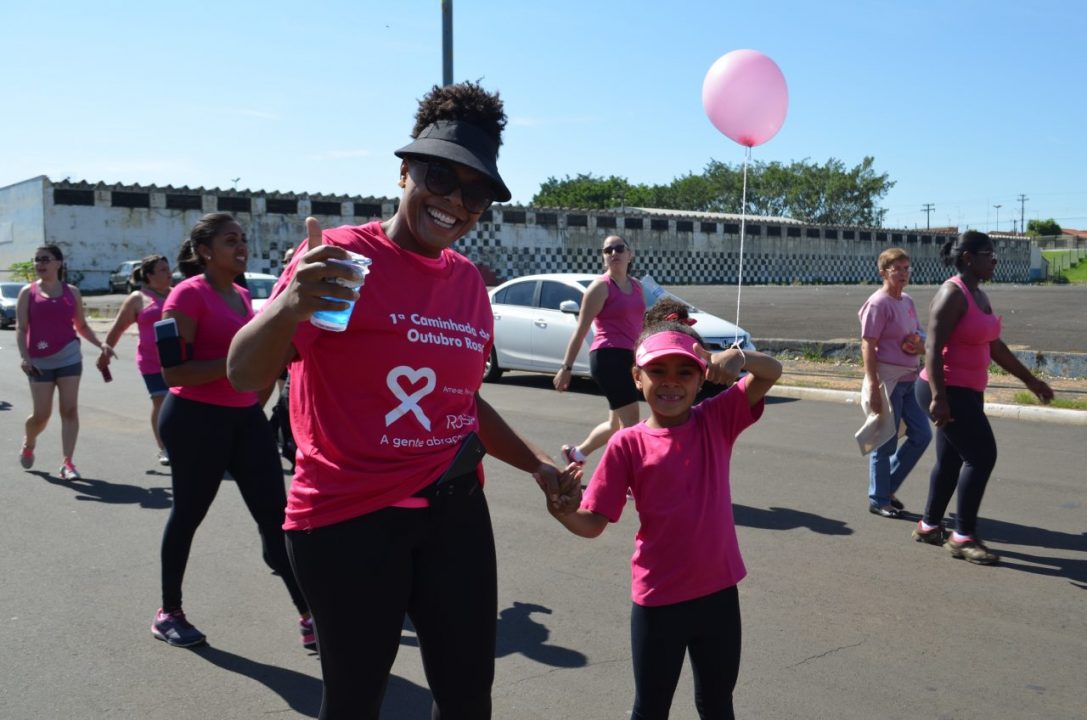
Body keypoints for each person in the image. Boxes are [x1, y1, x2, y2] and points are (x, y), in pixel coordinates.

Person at [227, 82, 579, 719]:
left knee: (468, 700)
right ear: (404, 171)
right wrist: (286, 307)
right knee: (356, 702)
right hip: (349, 519)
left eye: (476, 193)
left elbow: (462, 402)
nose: (455, 202)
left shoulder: (468, 284)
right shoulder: (342, 260)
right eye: (440, 177)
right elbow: (245, 378)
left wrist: (538, 465)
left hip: (454, 511)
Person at [547, 322, 782, 719]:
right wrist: (564, 512)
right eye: (657, 371)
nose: (671, 382)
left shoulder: (716, 418)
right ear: (637, 377)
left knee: (717, 703)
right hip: (659, 600)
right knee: (651, 708)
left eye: (685, 372)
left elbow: (771, 372)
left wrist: (735, 357)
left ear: (701, 378)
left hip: (719, 595)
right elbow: (593, 522)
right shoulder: (627, 443)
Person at [151, 213, 311, 649]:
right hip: (194, 420)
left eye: (242, 239)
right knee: (188, 515)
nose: (241, 247)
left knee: (278, 518)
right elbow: (174, 372)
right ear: (205, 251)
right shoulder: (185, 296)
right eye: (229, 241)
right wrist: (238, 362)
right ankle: (169, 613)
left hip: (244, 419)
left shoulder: (242, 296)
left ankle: (309, 616)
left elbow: (254, 368)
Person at [914, 231, 1053, 564]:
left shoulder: (979, 295)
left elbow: (995, 346)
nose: (995, 260)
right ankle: (963, 537)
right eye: (989, 254)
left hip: (967, 391)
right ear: (968, 258)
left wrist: (1030, 381)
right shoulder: (952, 294)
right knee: (982, 455)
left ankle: (929, 525)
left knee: (951, 460)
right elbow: (932, 347)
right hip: (946, 390)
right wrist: (939, 397)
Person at [16, 244, 107, 480]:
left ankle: (67, 463)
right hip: (39, 361)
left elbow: (81, 325)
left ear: (58, 263)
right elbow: (21, 328)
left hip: (69, 357)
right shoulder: (28, 292)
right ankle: (29, 442)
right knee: (41, 415)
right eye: (37, 259)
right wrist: (25, 357)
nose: (39, 264)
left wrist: (101, 344)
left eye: (45, 259)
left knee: (69, 410)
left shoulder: (72, 292)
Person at [553, 234, 646, 466]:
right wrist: (566, 368)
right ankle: (624, 476)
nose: (614, 253)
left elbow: (639, 325)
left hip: (630, 358)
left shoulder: (637, 286)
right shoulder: (600, 288)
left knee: (615, 425)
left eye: (619, 248)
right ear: (604, 258)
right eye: (608, 250)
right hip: (608, 358)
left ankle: (576, 454)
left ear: (630, 254)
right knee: (631, 424)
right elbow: (581, 329)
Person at [858, 248, 932, 517]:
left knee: (922, 435)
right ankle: (879, 499)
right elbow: (868, 344)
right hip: (888, 381)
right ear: (883, 273)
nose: (903, 273)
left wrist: (919, 344)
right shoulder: (878, 304)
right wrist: (873, 384)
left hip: (910, 379)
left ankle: (886, 487)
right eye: (896, 269)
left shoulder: (907, 301)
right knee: (885, 441)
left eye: (906, 268)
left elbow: (918, 332)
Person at [96, 255, 173, 466]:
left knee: (182, 404)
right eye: (163, 270)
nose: (169, 273)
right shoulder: (138, 299)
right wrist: (106, 352)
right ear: (149, 276)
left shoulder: (177, 294)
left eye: (168, 269)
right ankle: (164, 447)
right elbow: (118, 327)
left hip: (178, 359)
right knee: (160, 401)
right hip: (151, 361)